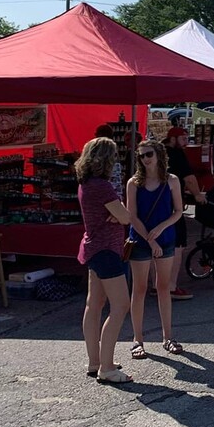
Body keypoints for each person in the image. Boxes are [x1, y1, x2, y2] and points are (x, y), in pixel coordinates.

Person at [76, 137, 143, 384]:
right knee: (120, 306)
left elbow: (120, 215)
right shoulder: (102, 187)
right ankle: (106, 368)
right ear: (106, 159)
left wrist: (118, 214)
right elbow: (126, 217)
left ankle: (96, 361)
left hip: (94, 248)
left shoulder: (86, 183)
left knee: (94, 304)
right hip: (106, 250)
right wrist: (119, 214)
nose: (116, 162)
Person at [126, 140, 184, 360]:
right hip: (141, 240)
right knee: (139, 289)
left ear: (159, 154)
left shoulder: (171, 180)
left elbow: (178, 211)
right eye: (141, 156)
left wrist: (161, 228)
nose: (145, 159)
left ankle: (168, 337)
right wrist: (151, 240)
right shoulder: (134, 182)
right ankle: (137, 340)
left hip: (165, 237)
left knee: (163, 287)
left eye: (148, 154)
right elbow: (132, 215)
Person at [163, 127, 206, 300]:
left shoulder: (157, 152)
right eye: (182, 138)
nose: (186, 141)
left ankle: (156, 285)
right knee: (178, 245)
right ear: (173, 139)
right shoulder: (176, 154)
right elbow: (189, 178)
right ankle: (171, 286)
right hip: (173, 205)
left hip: (157, 205)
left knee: (156, 244)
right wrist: (197, 195)